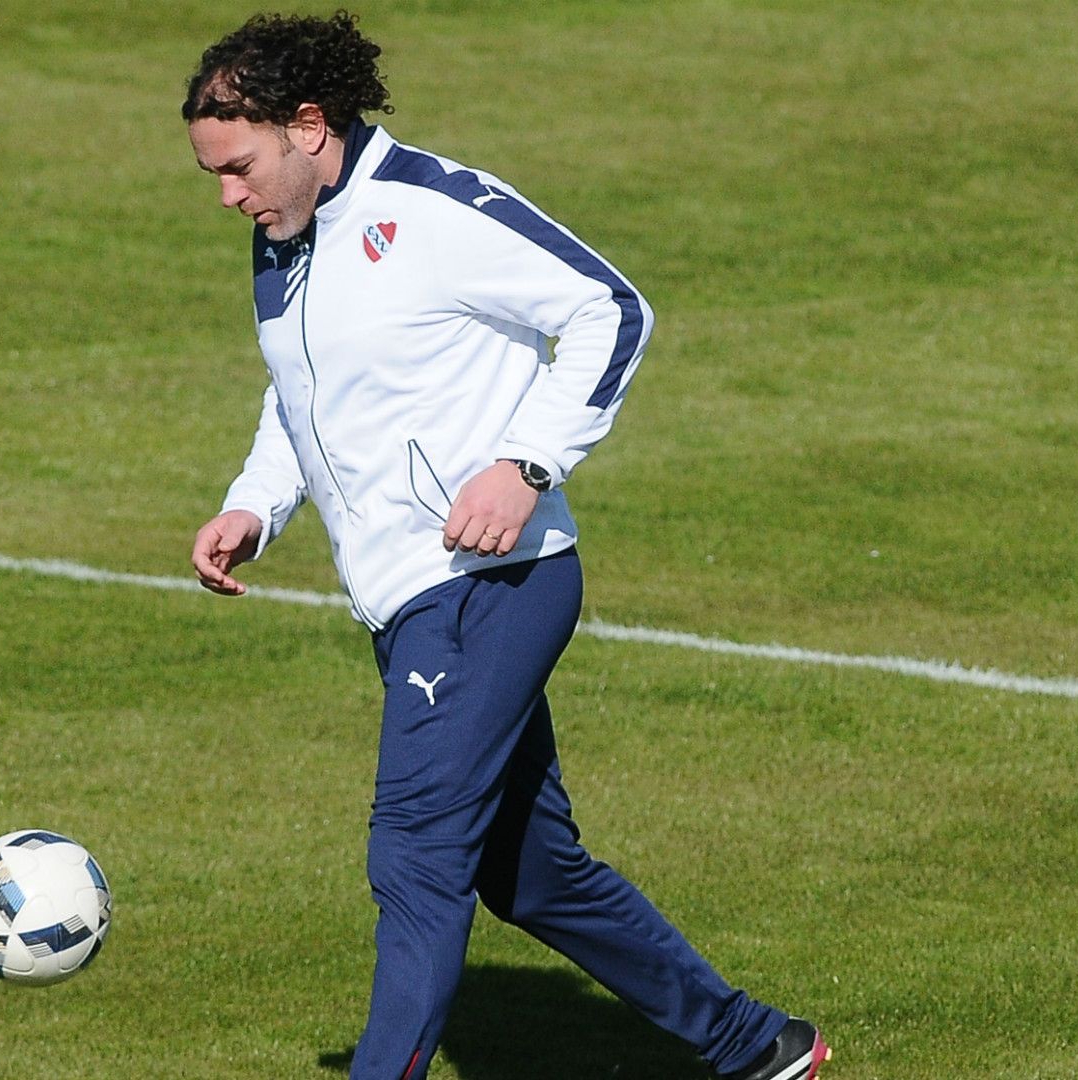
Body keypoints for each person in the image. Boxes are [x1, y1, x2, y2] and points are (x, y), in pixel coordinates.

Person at [180, 13, 828, 1080]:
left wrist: (526, 463)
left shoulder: (436, 208)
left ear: (307, 126)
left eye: (239, 168)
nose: (228, 196)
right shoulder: (283, 234)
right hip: (412, 602)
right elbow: (309, 385)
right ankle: (759, 1046)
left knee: (415, 854)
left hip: (488, 582)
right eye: (212, 175)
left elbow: (610, 309)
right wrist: (256, 504)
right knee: (532, 874)